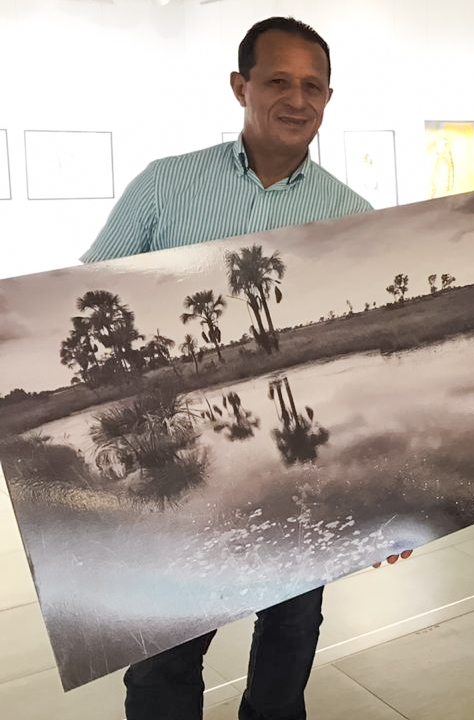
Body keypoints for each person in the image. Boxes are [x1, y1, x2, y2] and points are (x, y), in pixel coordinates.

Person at [80, 16, 406, 720]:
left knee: (292, 631)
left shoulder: (351, 215)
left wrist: (383, 509)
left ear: (328, 98)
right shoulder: (165, 188)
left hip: (299, 466)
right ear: (241, 86)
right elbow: (89, 299)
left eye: (312, 86)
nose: (297, 99)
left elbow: (369, 393)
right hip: (179, 461)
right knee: (167, 646)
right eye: (278, 81)